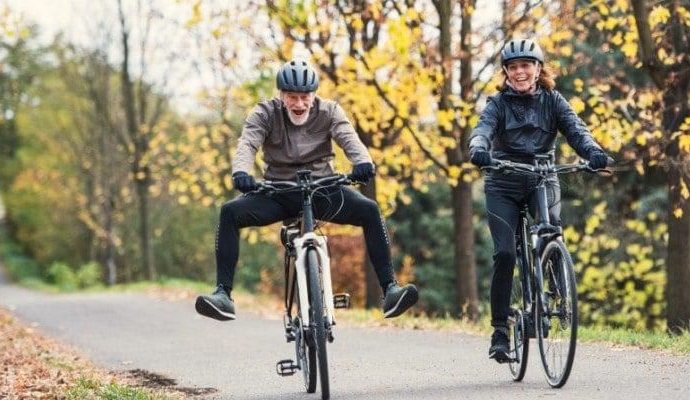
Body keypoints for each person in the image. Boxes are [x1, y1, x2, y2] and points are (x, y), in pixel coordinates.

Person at [195, 60, 419, 321]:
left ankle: (390, 290)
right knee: (230, 212)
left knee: (369, 210)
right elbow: (248, 143)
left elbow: (349, 138)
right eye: (292, 97)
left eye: (305, 97)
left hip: (323, 190)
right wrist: (241, 173)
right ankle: (223, 294)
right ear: (281, 95)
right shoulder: (264, 113)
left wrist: (363, 162)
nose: (299, 103)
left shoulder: (329, 111)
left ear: (314, 95)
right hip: (278, 192)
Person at [468, 39, 610, 362]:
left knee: (551, 228)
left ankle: (557, 293)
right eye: (513, 67)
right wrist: (478, 148)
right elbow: (482, 130)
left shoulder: (553, 101)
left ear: (538, 69)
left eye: (526, 65)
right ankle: (500, 331)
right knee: (505, 254)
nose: (520, 72)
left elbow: (577, 130)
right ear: (506, 72)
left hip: (542, 178)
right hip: (503, 182)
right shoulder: (497, 104)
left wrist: (593, 152)